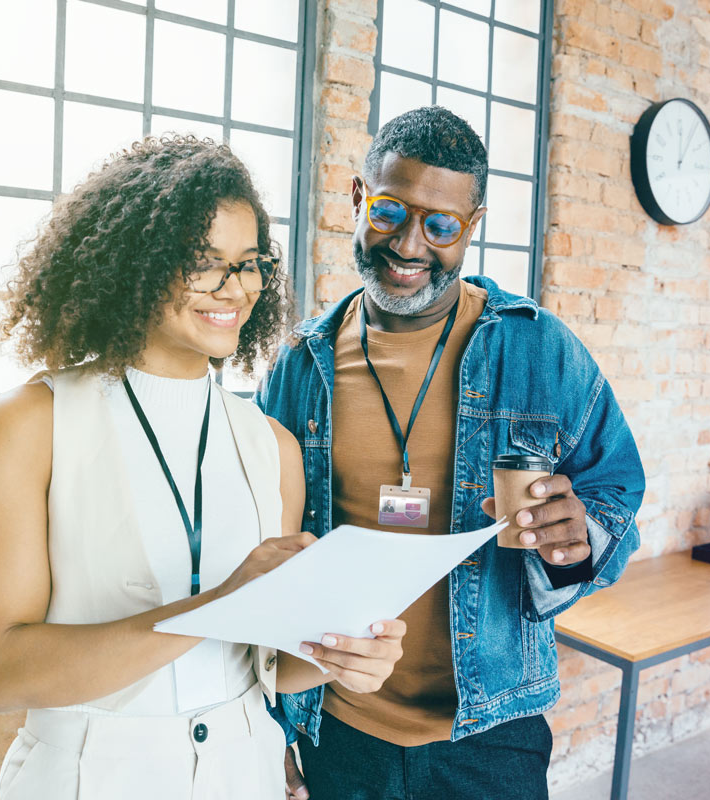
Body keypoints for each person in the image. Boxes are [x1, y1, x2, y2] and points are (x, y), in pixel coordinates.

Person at [0, 135, 406, 799]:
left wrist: (343, 660)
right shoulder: (28, 426)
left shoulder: (271, 447)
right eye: (203, 261)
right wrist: (217, 606)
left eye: (248, 264)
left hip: (245, 775)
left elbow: (266, 662)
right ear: (136, 265)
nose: (234, 288)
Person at [255, 106, 645, 799]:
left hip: (490, 733)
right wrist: (275, 726)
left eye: (440, 226)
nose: (409, 245)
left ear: (472, 226)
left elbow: (616, 488)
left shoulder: (539, 350)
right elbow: (263, 548)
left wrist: (577, 538)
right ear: (357, 199)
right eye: (388, 212)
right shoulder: (301, 366)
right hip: (336, 726)